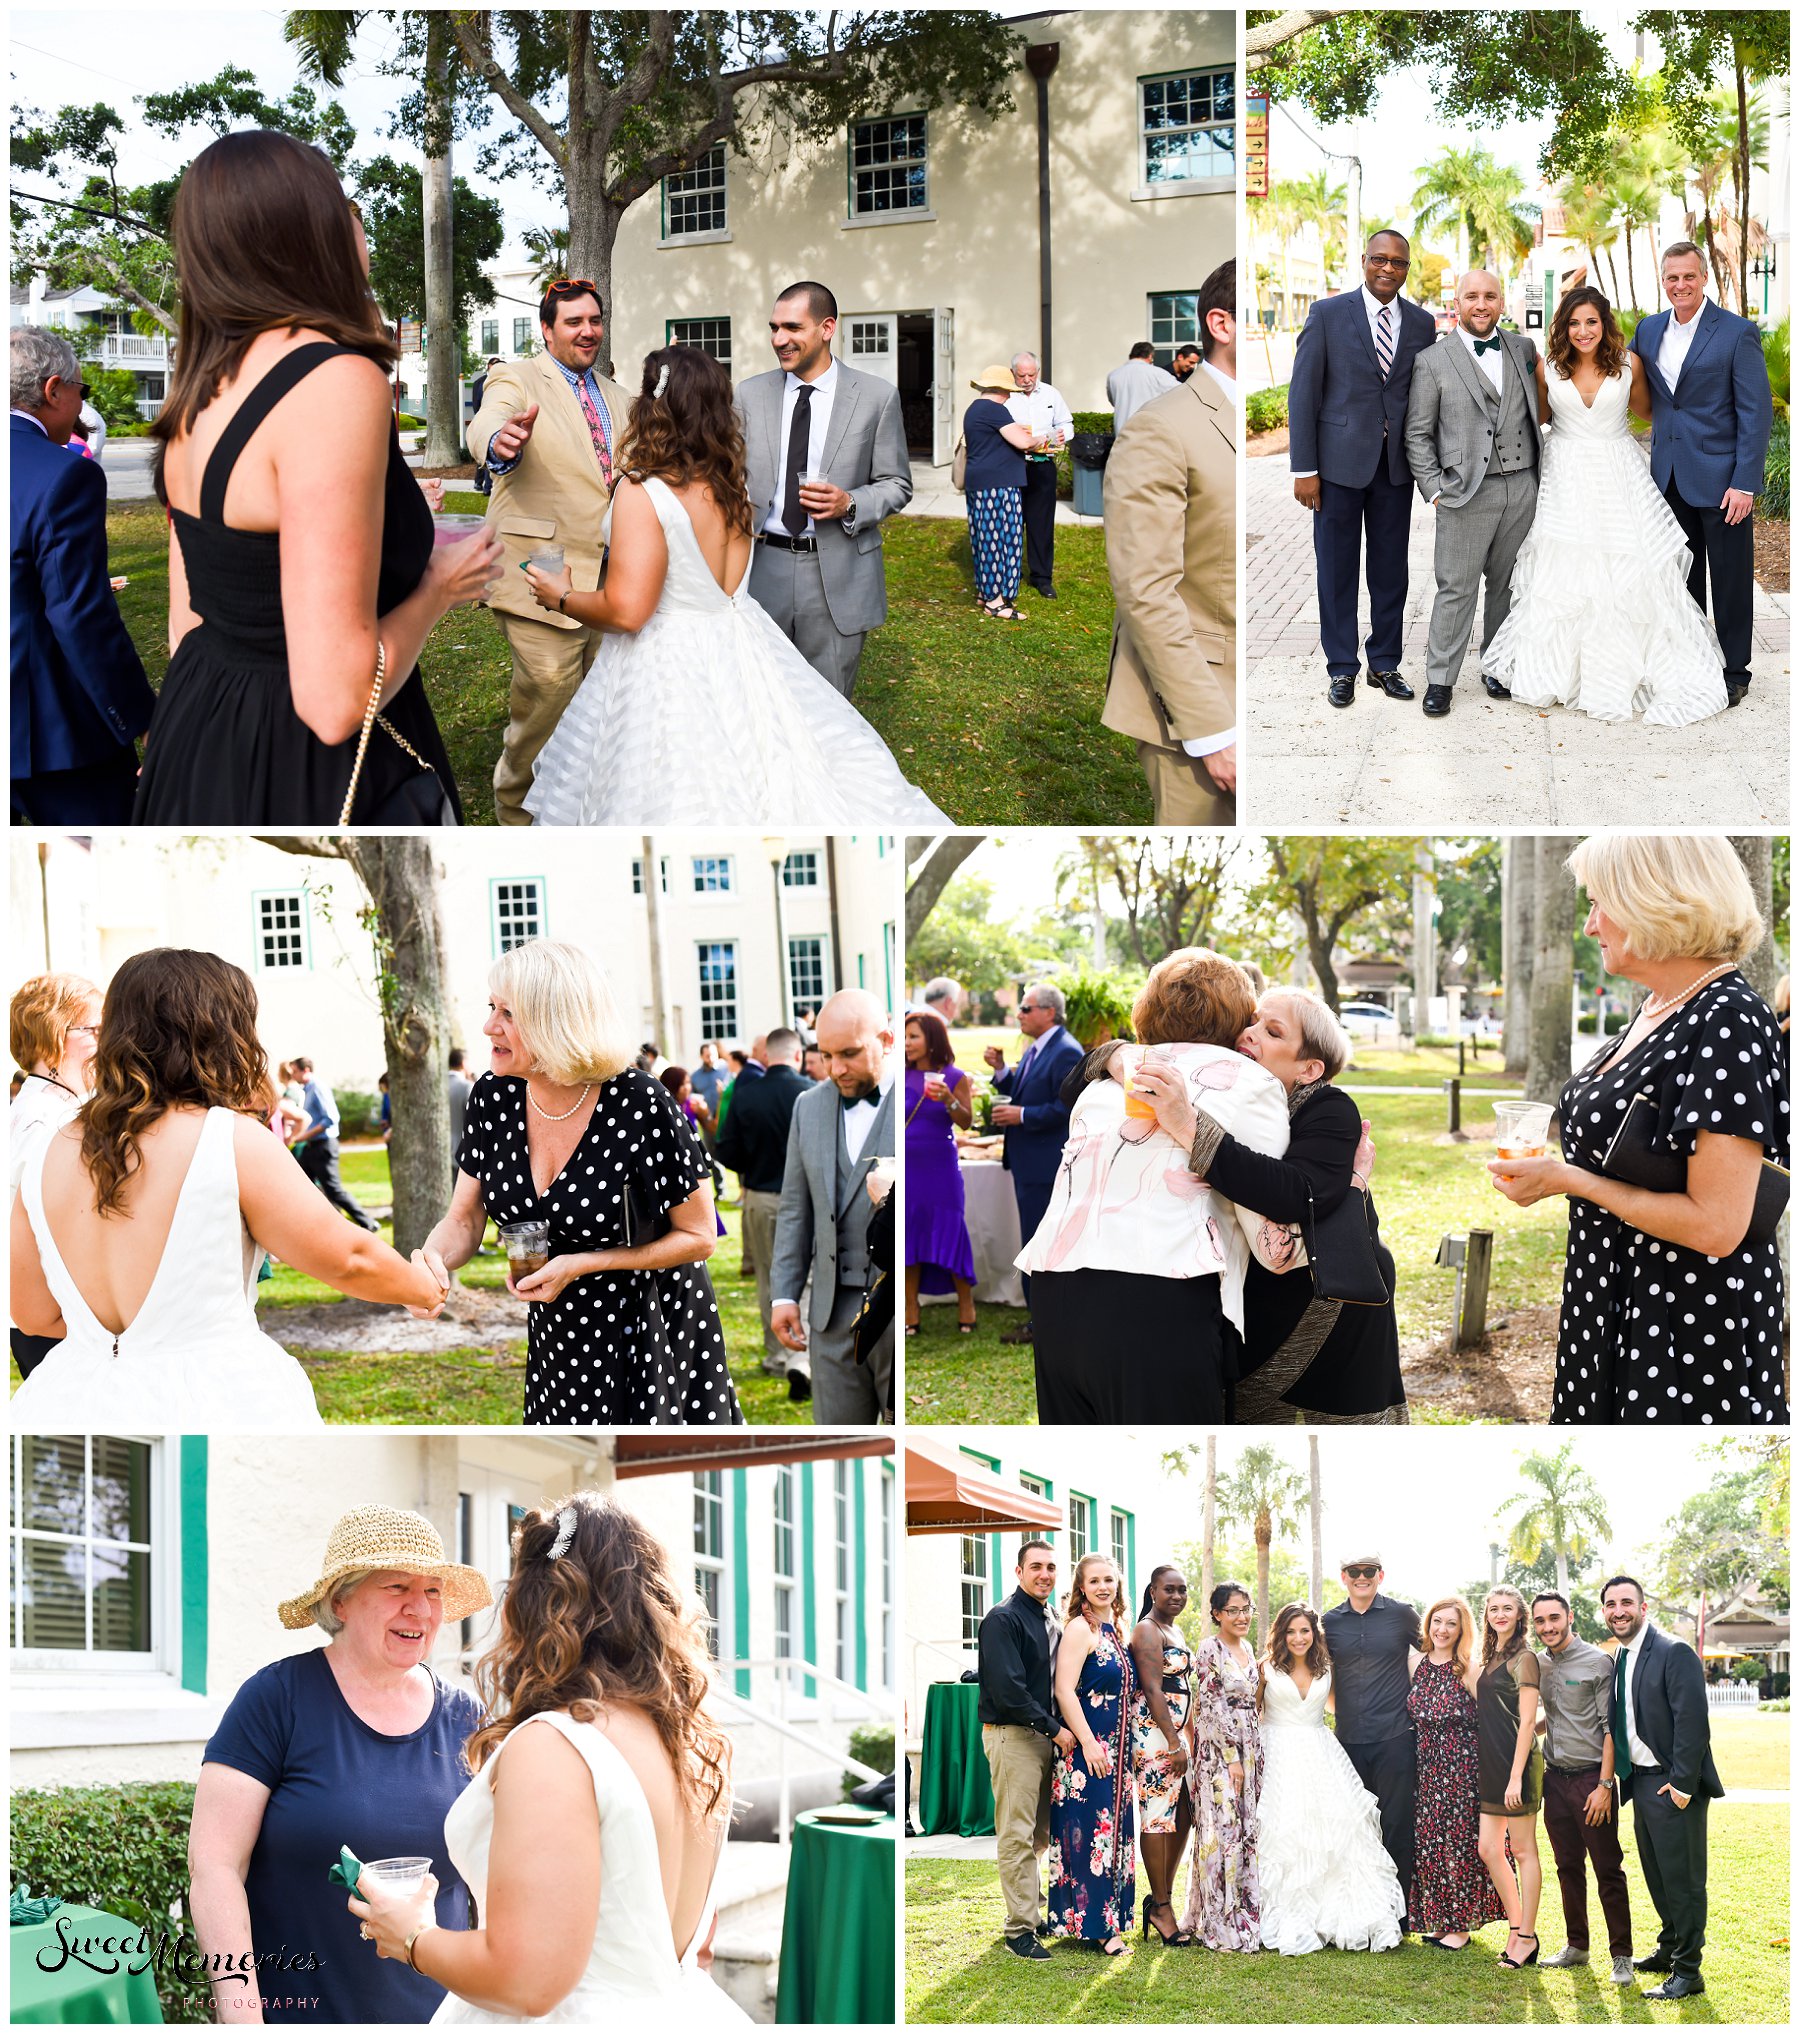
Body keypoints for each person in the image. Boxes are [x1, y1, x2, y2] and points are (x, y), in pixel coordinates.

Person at [136, 131, 494, 825]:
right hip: (302, 763)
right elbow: (334, 703)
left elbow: (187, 622)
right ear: (310, 231)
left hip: (199, 730)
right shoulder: (334, 379)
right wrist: (438, 589)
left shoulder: (201, 383)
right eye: (338, 205)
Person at [348, 1496, 748, 2023]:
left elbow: (528, 1982)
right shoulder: (692, 1744)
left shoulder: (557, 1744)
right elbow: (695, 1948)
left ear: (538, 1602)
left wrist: (413, 1936)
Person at [519, 346, 947, 825]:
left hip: (667, 662)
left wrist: (559, 595)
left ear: (653, 404)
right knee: (756, 763)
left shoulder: (644, 491)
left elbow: (627, 611)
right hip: (740, 645)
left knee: (671, 790)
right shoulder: (731, 484)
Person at [10, 951, 440, 1428]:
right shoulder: (228, 1139)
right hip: (215, 1398)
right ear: (218, 1034)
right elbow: (348, 1258)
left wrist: (121, 1347)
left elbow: (33, 1315)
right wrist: (421, 1286)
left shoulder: (47, 1148)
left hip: (72, 1398)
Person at [1489, 834, 1787, 1423]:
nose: (1591, 926)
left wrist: (1571, 1180)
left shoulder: (1727, 1019)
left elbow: (1718, 1226)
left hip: (1682, 1322)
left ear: (1654, 900)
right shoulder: (1657, 1008)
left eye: (1601, 903)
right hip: (1612, 1297)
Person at [415, 940, 741, 1425]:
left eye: (508, 1012)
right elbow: (463, 1219)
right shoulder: (492, 1096)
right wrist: (433, 1260)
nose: (489, 1026)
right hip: (558, 1339)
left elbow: (698, 1236)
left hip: (649, 1331)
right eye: (491, 1007)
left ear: (554, 1019)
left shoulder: (640, 1102)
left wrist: (586, 1264)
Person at [189, 1506, 490, 2023]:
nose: (420, 1609)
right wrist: (241, 2013)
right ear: (340, 1601)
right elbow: (215, 1867)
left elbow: (492, 1882)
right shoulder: (277, 1699)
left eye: (433, 1591)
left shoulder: (467, 1718)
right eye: (397, 1587)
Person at [1018, 951, 1289, 1422]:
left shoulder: (1102, 1085)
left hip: (1056, 1291)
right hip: (1162, 1296)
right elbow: (1268, 1229)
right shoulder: (1251, 1082)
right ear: (1242, 1017)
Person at [1131, 984, 1405, 1423]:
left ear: (1310, 1068)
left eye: (1273, 1032)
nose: (1251, 1032)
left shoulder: (1330, 1109)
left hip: (1329, 1307)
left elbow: (1297, 1194)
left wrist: (1190, 1127)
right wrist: (1108, 1056)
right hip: (1256, 1306)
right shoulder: (1220, 1091)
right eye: (1253, 1021)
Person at [1483, 286, 1728, 722]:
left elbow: (1651, 413)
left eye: (1591, 322)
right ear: (1563, 326)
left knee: (1630, 571)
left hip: (1620, 473)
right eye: (1574, 323)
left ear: (1605, 324)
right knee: (1565, 572)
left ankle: (1628, 668)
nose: (1583, 331)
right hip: (1565, 476)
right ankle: (1557, 670)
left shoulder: (1629, 364)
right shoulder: (1549, 368)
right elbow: (1539, 417)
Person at [467, 281, 628, 825]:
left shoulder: (618, 395)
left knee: (597, 704)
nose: (588, 331)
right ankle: (516, 813)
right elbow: (491, 419)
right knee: (549, 697)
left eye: (594, 320)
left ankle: (576, 807)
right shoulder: (516, 377)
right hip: (540, 571)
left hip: (608, 579)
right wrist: (498, 442)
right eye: (573, 322)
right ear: (547, 329)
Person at [1102, 256, 1237, 824]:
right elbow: (1145, 590)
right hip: (1202, 706)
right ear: (1222, 324)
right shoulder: (1161, 426)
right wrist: (1210, 730)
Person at [738, 281, 913, 696]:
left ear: (827, 327)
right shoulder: (748, 394)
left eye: (792, 328)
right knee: (762, 698)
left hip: (837, 571)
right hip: (763, 567)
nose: (779, 339)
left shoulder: (876, 397)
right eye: (774, 327)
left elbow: (897, 483)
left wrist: (851, 502)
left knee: (830, 704)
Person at [11, 326, 154, 823]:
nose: (80, 406)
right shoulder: (64, 475)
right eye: (80, 390)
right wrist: (143, 719)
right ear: (53, 390)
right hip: (50, 738)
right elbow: (78, 614)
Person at [1288, 230, 1436, 707]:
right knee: (1336, 568)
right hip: (1335, 467)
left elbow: (1420, 395)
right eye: (1379, 259)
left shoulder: (1421, 323)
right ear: (1364, 260)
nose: (1388, 269)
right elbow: (1304, 393)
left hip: (1394, 468)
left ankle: (1385, 663)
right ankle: (1342, 667)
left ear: (1407, 268)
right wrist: (1303, 467)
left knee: (1391, 570)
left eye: (1398, 262)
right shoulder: (1328, 314)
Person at [1631, 241, 1775, 708]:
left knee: (1730, 581)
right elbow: (1619, 374)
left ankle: (1735, 670)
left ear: (1704, 277)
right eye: (1671, 278)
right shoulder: (1648, 330)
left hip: (1723, 481)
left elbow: (1755, 414)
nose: (1680, 285)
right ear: (1663, 280)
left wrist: (1745, 482)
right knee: (1682, 579)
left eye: (1688, 276)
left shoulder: (1737, 333)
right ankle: (1693, 661)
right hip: (1668, 477)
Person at [1402, 269, 1542, 716]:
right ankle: (1440, 679)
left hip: (1522, 486)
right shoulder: (1432, 360)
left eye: (1490, 296)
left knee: (1506, 585)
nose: (1481, 305)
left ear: (1502, 303)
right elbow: (1417, 435)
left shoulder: (1522, 349)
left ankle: (1496, 667)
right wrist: (1434, 490)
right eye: (1471, 297)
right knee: (1455, 588)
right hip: (1464, 494)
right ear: (1455, 304)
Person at [768, 990, 896, 1420]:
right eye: (825, 1055)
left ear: (887, 1039)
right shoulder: (808, 1106)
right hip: (828, 1311)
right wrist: (784, 1295)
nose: (836, 1068)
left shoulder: (912, 1105)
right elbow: (794, 1209)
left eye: (850, 1053)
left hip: (894, 1308)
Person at [1256, 1603, 1406, 1955]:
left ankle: (1336, 1915)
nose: (1298, 1638)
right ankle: (1278, 1915)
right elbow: (1252, 1711)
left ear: (1315, 1633)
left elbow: (1342, 1707)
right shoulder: (1265, 1668)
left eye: (1304, 1631)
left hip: (1320, 1751)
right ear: (1281, 1633)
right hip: (1276, 1752)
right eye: (1291, 1631)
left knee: (1336, 1835)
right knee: (1284, 1833)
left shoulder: (1326, 1668)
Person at [1602, 1573, 1721, 2000]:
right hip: (1642, 1785)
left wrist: (1683, 1784)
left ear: (1643, 1607)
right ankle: (1670, 1948)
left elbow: (1692, 1722)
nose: (1619, 1611)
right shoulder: (1621, 1657)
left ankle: (1688, 1971)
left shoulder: (1674, 1651)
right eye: (1611, 1604)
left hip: (1673, 1787)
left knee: (1683, 1879)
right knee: (1657, 1874)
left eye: (1626, 1603)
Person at [976, 1540, 1076, 1962]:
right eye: (1036, 1566)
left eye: (1051, 1567)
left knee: (1039, 1835)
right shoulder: (1002, 1619)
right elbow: (1009, 1689)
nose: (1045, 1574)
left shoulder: (1051, 1617)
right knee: (1016, 1834)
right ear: (1018, 1571)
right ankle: (1019, 1930)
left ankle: (1033, 1914)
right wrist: (1056, 1730)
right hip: (1014, 1735)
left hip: (1046, 1738)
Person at [1530, 1591, 1634, 1982]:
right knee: (1566, 1866)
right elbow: (1551, 1718)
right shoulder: (1538, 1664)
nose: (1548, 1627)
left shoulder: (1597, 1661)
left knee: (1608, 1868)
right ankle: (1577, 1946)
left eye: (1554, 1618)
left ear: (1569, 1616)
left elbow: (1611, 1729)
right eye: (1540, 1621)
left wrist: (1605, 1785)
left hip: (1593, 1778)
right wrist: (1525, 1733)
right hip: (1554, 1780)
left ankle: (1621, 1955)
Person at [9, 972, 103, 1381]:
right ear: (55, 1034)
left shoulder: (57, 1108)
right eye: (94, 1029)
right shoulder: (46, 1119)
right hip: (50, 1318)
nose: (106, 1040)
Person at [1321, 1554, 1424, 1915]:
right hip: (1347, 1739)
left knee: (1396, 1823)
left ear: (1381, 1576)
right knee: (1355, 1825)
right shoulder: (1328, 1622)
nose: (1361, 1577)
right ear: (1343, 1577)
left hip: (1395, 1736)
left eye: (1368, 1572)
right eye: (1354, 1572)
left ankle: (1399, 1912)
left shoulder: (1403, 1615)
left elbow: (1435, 1656)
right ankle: (1358, 1908)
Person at [981, 984, 1081, 1351]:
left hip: (1045, 1166)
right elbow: (1025, 1090)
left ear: (1049, 1012)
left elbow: (1069, 1109)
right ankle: (1041, 1316)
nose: (1019, 1014)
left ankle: (1045, 1322)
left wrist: (1020, 1116)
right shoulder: (1037, 1048)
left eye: (1026, 1008)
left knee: (1041, 1243)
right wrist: (1002, 1071)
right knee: (1032, 1241)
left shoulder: (1066, 1052)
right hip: (1027, 1165)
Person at [1047, 1554, 1135, 1955]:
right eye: (1094, 1581)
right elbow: (1064, 1690)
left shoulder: (1115, 1628)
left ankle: (1111, 1915)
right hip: (1089, 1751)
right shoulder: (1080, 1629)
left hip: (1117, 1749)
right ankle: (1097, 1925)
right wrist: (1087, 1743)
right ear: (1081, 1587)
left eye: (1109, 1580)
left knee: (1113, 1832)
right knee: (1093, 1835)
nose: (1103, 1586)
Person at [1407, 1595, 1504, 1950]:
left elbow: (1495, 1721)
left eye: (1451, 1623)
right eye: (1437, 1621)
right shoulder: (1415, 1664)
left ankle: (1460, 1926)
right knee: (1430, 1844)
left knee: (1460, 1845)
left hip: (1463, 1770)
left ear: (1462, 1629)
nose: (1442, 1629)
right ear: (1428, 1624)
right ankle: (1440, 1920)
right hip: (1426, 1769)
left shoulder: (1470, 1668)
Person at [713, 1026, 808, 1377]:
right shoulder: (811, 1092)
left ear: (767, 1056)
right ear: (797, 1055)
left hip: (761, 1196)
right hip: (807, 1200)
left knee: (770, 1278)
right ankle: (804, 1354)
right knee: (810, 1277)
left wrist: (752, 1168)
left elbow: (725, 1149)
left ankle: (778, 1357)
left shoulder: (746, 1094)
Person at [1183, 1579, 1263, 1951]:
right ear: (1217, 1614)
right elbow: (1211, 1708)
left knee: (1245, 1829)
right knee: (1223, 1830)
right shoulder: (1209, 1648)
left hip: (1250, 1748)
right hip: (1221, 1754)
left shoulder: (1247, 1647)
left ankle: (1242, 1905)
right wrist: (1232, 1758)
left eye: (1246, 1609)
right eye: (1233, 1610)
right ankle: (1219, 1913)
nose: (1242, 1616)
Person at [1474, 1584, 1545, 1970]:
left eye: (1508, 1608)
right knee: (1489, 1848)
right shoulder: (1490, 1656)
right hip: (1491, 1764)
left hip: (1518, 1767)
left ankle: (1527, 1937)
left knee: (1522, 1850)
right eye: (1493, 1608)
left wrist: (1516, 1777)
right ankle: (1516, 1926)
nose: (1500, 1614)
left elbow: (1528, 1722)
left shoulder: (1525, 1658)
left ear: (1520, 1615)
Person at [1127, 1567, 1198, 1948]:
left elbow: (1184, 1689)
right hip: (1155, 1735)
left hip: (1177, 1735)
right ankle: (1162, 1907)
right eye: (1169, 1589)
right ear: (1152, 1591)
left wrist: (1189, 1738)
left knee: (1184, 1811)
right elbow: (1153, 1689)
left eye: (1182, 1590)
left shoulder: (1175, 1630)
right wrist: (1172, 1741)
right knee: (1157, 1817)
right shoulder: (1147, 1629)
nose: (1176, 1595)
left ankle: (1160, 1898)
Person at [903, 1009, 977, 1336]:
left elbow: (966, 1122)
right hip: (907, 1170)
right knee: (908, 1234)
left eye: (914, 1036)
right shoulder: (900, 1074)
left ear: (932, 1039)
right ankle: (910, 1308)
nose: (907, 1043)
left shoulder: (955, 1076)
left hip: (940, 1168)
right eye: (905, 1037)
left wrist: (948, 1098)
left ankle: (966, 1303)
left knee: (950, 1229)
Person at [962, 364, 1037, 622]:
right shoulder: (994, 410)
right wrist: (1043, 438)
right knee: (1002, 539)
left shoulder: (975, 409)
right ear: (1001, 389)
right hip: (998, 484)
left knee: (985, 539)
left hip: (982, 482)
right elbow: (1024, 441)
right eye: (1008, 391)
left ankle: (987, 592)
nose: (1010, 396)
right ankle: (995, 602)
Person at [1005, 351, 1073, 599]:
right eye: (1021, 375)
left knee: (1041, 524)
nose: (1026, 380)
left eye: (1031, 374)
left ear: (1038, 372)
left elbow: (1066, 423)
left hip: (1042, 466)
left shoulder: (1051, 394)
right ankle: (1008, 574)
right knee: (1010, 523)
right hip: (1012, 465)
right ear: (1013, 373)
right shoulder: (1006, 395)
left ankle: (1042, 578)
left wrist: (1064, 434)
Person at [290, 1055, 381, 1232]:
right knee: (303, 1185)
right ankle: (317, 1226)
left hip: (323, 1145)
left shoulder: (317, 1087)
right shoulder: (307, 1090)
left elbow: (330, 1118)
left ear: (306, 1070)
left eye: (294, 1071)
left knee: (333, 1189)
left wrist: (303, 1135)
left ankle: (369, 1223)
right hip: (312, 1147)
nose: (293, 1075)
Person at [1106, 341, 1176, 432]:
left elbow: (1113, 401)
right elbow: (1180, 393)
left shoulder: (1113, 375)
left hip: (1122, 434)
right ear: (1150, 356)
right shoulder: (1158, 373)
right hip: (1149, 432)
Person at [446, 1048, 473, 1194]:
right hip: (462, 1150)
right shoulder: (466, 1087)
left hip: (440, 1149)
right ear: (464, 1063)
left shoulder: (439, 1086)